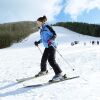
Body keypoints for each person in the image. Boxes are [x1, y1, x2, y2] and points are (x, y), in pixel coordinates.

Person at [34, 16, 65, 81]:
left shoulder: (47, 27)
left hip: (52, 45)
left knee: (51, 60)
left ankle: (59, 74)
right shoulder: (41, 30)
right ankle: (43, 71)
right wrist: (38, 42)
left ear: (42, 22)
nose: (37, 23)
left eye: (38, 22)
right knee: (43, 60)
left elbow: (54, 34)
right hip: (47, 46)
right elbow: (43, 39)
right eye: (37, 22)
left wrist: (51, 40)